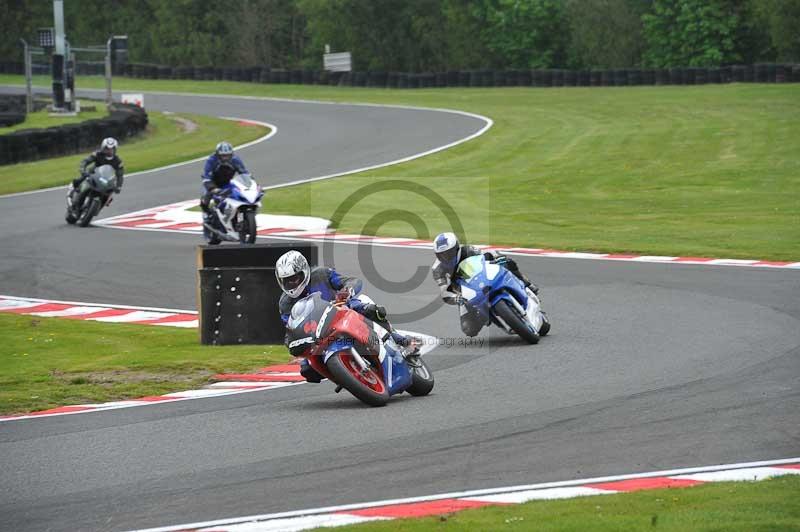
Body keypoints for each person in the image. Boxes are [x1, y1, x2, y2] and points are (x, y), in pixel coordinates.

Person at [275, 250, 419, 383]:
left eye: (295, 278)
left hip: (343, 311)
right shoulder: (285, 304)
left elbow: (352, 281)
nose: (292, 283)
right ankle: (345, 377)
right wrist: (293, 344)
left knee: (370, 310)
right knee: (307, 370)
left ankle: (399, 339)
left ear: (304, 272)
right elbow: (291, 330)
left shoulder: (322, 274)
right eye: (287, 281)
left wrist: (346, 291)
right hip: (318, 337)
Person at [431, 232, 538, 337]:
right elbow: (444, 292)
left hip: (481, 280)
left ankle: (527, 284)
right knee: (468, 329)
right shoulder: (438, 270)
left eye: (448, 253)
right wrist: (456, 298)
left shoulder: (468, 250)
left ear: (457, 248)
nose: (445, 258)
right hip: (464, 294)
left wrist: (498, 258)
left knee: (508, 263)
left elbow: (487, 256)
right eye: (441, 255)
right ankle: (488, 316)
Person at [200, 141, 249, 238]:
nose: (225, 158)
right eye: (223, 156)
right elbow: (207, 176)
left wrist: (249, 184)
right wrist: (212, 188)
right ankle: (206, 217)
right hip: (213, 183)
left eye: (227, 155)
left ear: (231, 154)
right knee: (206, 198)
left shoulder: (235, 160)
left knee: (238, 196)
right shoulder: (211, 160)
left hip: (227, 183)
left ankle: (235, 218)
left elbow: (244, 173)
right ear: (218, 154)